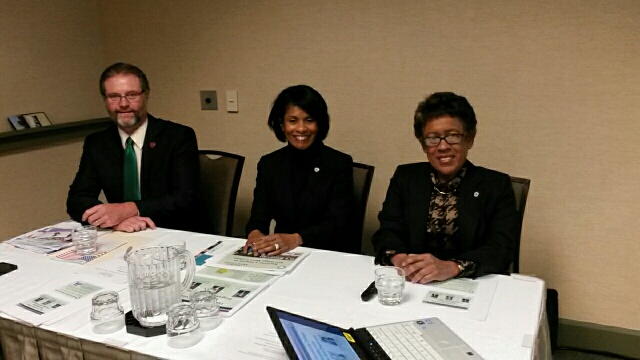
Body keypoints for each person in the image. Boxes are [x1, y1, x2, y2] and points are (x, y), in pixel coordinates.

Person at [371, 92, 518, 284]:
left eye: (452, 136)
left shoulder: (496, 185)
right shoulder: (406, 177)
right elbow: (388, 230)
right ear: (423, 145)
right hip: (413, 282)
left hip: (470, 284)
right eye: (432, 138)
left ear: (470, 138)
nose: (442, 146)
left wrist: (451, 267)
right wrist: (400, 260)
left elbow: (501, 248)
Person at [66, 63, 200, 233]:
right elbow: (77, 199)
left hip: (173, 232)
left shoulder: (177, 136)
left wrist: (127, 209)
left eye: (131, 95)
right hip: (122, 234)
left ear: (146, 95)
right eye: (114, 96)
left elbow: (185, 199)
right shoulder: (97, 143)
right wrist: (112, 220)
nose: (123, 104)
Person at [244, 85, 355, 256]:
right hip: (282, 254)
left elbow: (338, 223)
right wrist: (255, 234)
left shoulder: (339, 164)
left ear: (319, 124)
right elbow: (259, 216)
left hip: (327, 253)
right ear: (282, 124)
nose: (301, 129)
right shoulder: (269, 164)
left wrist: (296, 239)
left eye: (309, 120)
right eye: (293, 120)